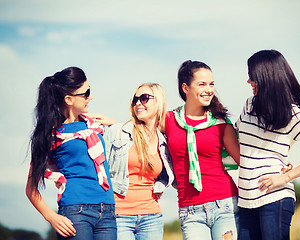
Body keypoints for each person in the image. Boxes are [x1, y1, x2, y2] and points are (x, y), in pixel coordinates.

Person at [235, 49, 300, 240]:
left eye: (251, 76)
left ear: (266, 77)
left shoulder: (291, 113)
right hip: (246, 201)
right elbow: (233, 137)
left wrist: (287, 176)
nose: (248, 81)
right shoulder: (249, 104)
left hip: (275, 199)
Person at [25, 67, 116, 240]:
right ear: (68, 99)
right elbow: (31, 188)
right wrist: (51, 217)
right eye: (86, 93)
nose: (90, 97)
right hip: (76, 211)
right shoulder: (50, 135)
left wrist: (115, 124)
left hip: (108, 210)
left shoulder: (94, 126)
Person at [164, 60, 240, 240]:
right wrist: (113, 124)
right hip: (189, 211)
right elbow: (141, 127)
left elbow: (244, 161)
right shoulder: (169, 120)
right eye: (202, 84)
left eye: (211, 84)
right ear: (185, 88)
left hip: (225, 204)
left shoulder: (221, 123)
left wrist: (275, 163)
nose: (209, 90)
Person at [98, 83, 174, 240]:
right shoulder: (117, 132)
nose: (138, 103)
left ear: (158, 101)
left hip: (152, 217)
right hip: (119, 216)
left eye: (144, 98)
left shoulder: (165, 141)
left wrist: (159, 186)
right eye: (135, 99)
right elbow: (99, 168)